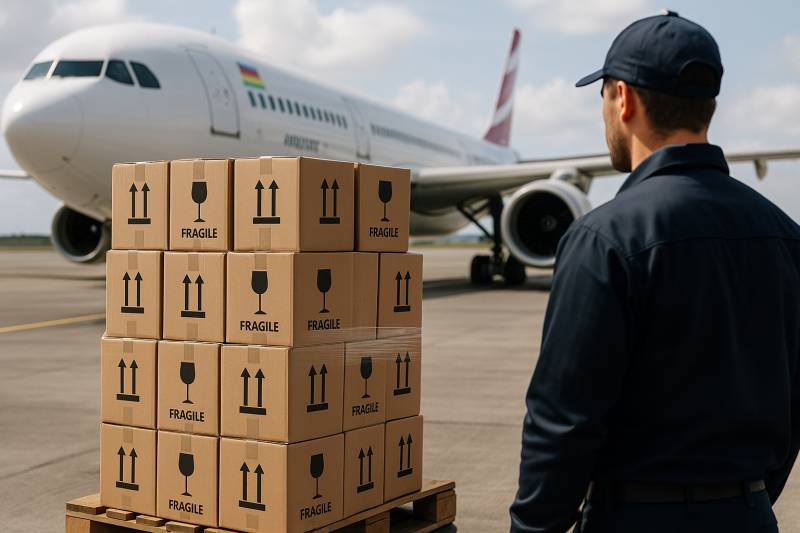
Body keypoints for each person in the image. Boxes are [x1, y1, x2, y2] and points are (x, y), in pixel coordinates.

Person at [509, 11, 800, 533]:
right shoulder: (784, 235)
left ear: (625, 98)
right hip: (751, 516)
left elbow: (562, 426)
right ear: (707, 105)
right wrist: (740, 498)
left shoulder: (603, 239)